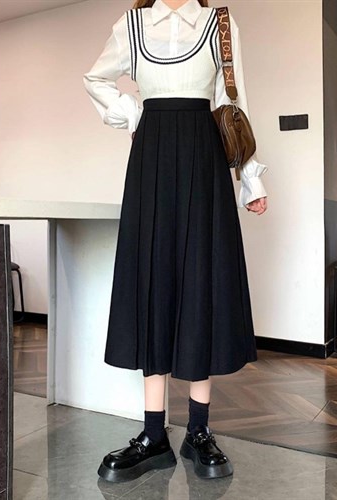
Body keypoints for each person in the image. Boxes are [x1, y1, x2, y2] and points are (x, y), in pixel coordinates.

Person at [83, 0, 268, 482]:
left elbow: (234, 102)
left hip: (205, 158)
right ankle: (153, 436)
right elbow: (95, 78)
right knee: (154, 280)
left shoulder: (218, 23)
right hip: (152, 158)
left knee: (200, 280)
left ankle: (199, 431)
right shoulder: (131, 25)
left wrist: (250, 179)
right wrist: (132, 114)